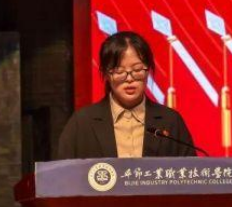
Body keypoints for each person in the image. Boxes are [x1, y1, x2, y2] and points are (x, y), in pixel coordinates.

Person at [57, 31, 196, 159]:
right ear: (106, 74)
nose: (129, 78)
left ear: (148, 70)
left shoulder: (171, 121)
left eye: (137, 70)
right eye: (119, 71)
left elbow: (190, 172)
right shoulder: (82, 122)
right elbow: (63, 172)